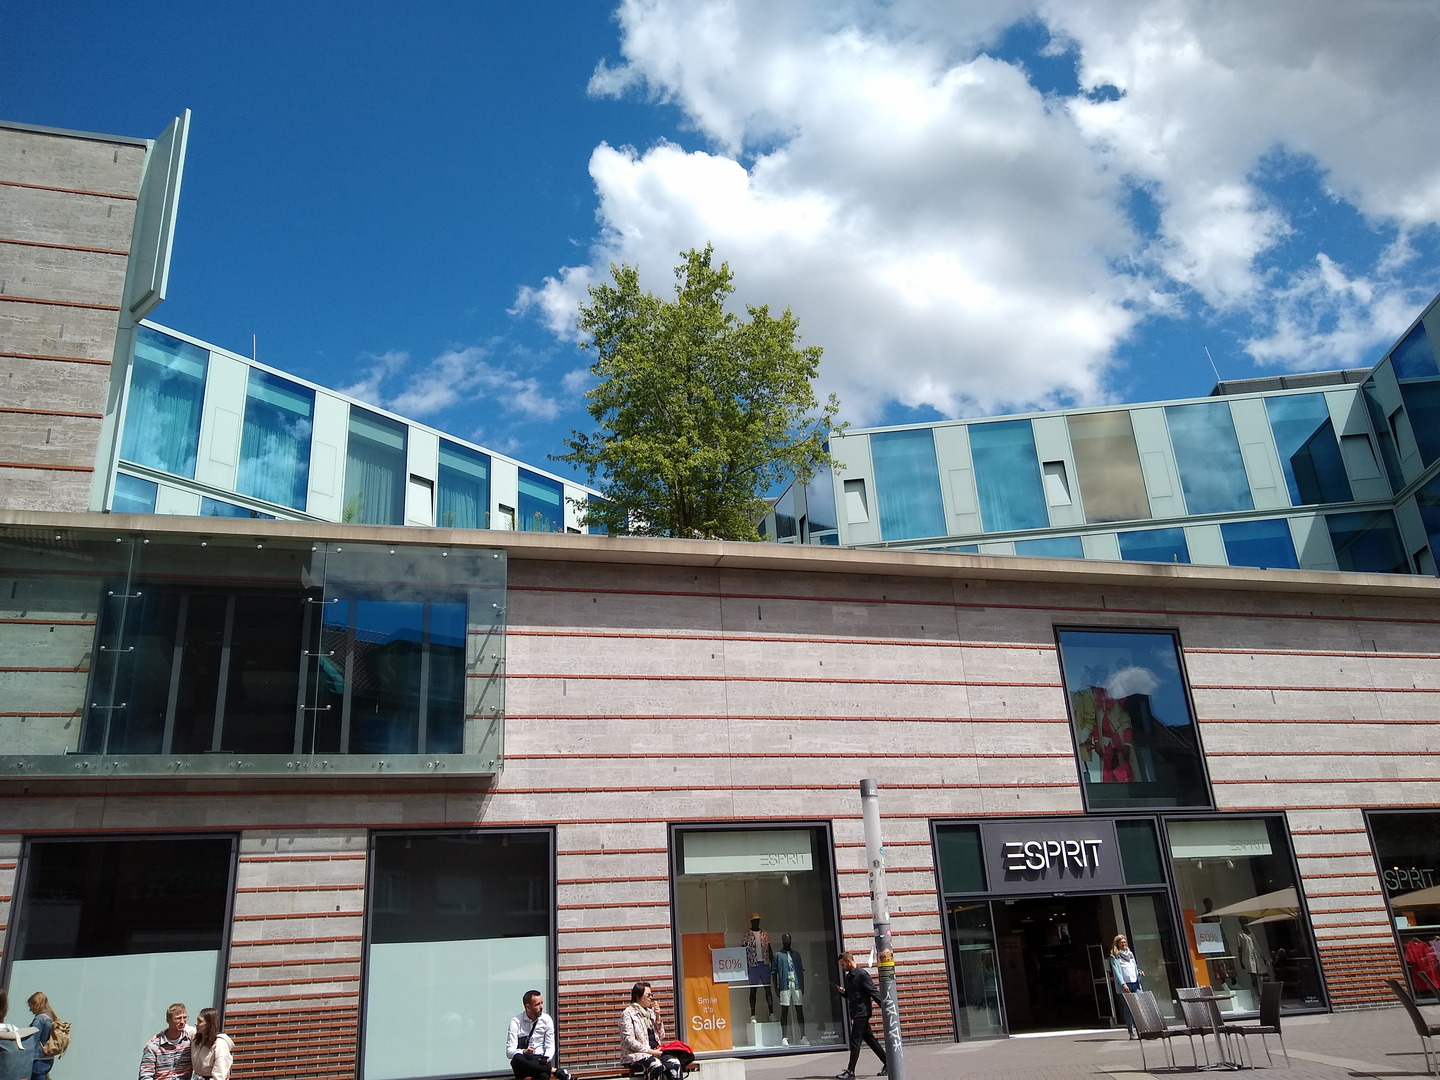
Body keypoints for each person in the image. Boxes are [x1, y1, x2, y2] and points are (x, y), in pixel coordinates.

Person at [835, 952, 886, 1080]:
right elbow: (849, 994)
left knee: (855, 1041)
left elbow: (873, 991)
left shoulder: (862, 975)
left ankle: (850, 1071)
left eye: (843, 965)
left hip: (862, 1013)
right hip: (856, 1012)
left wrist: (885, 1008)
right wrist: (843, 992)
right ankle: (888, 1062)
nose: (842, 968)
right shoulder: (849, 977)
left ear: (848, 962)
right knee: (870, 1040)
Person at [619, 982, 683, 1080]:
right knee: (655, 1064)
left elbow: (661, 1036)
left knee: (675, 1063)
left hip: (656, 1050)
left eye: (651, 995)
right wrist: (650, 1051)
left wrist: (658, 1017)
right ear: (638, 995)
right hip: (635, 1055)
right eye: (648, 995)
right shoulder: (628, 1014)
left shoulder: (650, 1013)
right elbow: (629, 1040)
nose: (651, 998)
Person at [507, 990, 571, 1080]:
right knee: (517, 1059)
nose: (541, 1007)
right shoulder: (516, 1022)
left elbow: (550, 1046)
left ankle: (549, 1070)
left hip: (540, 1060)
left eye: (542, 1003)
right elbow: (509, 1051)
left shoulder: (546, 1020)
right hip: (524, 1061)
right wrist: (524, 1051)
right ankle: (555, 1071)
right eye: (537, 1004)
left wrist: (547, 1058)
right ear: (528, 1007)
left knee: (543, 1076)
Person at [138, 1003, 193, 1080]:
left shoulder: (190, 1042)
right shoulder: (154, 1047)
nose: (182, 1022)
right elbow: (146, 1075)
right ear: (168, 1020)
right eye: (178, 1018)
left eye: (185, 1018)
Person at [1110, 934, 1145, 1037]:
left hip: (1135, 983)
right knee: (1128, 1008)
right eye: (1121, 943)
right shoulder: (1114, 956)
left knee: (1140, 1006)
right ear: (1117, 944)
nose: (1124, 944)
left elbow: (1134, 966)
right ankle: (1131, 1031)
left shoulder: (1130, 954)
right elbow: (1116, 972)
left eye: (1125, 942)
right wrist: (1123, 984)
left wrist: (1139, 971)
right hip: (1125, 985)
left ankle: (1142, 1029)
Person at [190, 1007, 233, 1080]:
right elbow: (186, 1029)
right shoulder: (197, 1037)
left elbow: (219, 1076)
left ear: (209, 1024)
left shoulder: (220, 1044)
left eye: (200, 1021)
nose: (196, 1023)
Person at [26, 994, 57, 1080]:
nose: (30, 1009)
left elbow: (32, 1041)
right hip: (48, 1059)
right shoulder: (51, 1018)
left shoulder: (39, 1020)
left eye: (30, 1006)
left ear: (36, 1004)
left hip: (37, 1059)